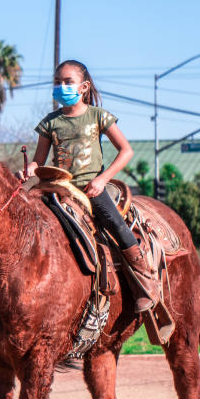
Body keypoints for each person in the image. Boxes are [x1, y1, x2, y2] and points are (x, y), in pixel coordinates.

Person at [23, 59, 160, 312]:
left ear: (84, 87)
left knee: (115, 222)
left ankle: (145, 279)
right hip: (57, 187)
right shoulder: (49, 123)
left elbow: (126, 151)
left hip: (90, 188)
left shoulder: (98, 116)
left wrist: (102, 179)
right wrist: (30, 169)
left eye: (68, 82)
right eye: (57, 82)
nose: (61, 86)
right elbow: (38, 161)